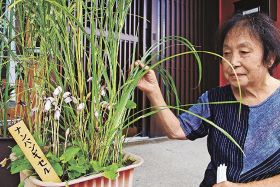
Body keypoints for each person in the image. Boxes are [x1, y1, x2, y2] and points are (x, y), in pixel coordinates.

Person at [136, 13, 280, 187]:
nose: (232, 62)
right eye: (226, 53)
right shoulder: (214, 99)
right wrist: (153, 91)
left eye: (244, 52)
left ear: (270, 58)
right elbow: (177, 130)